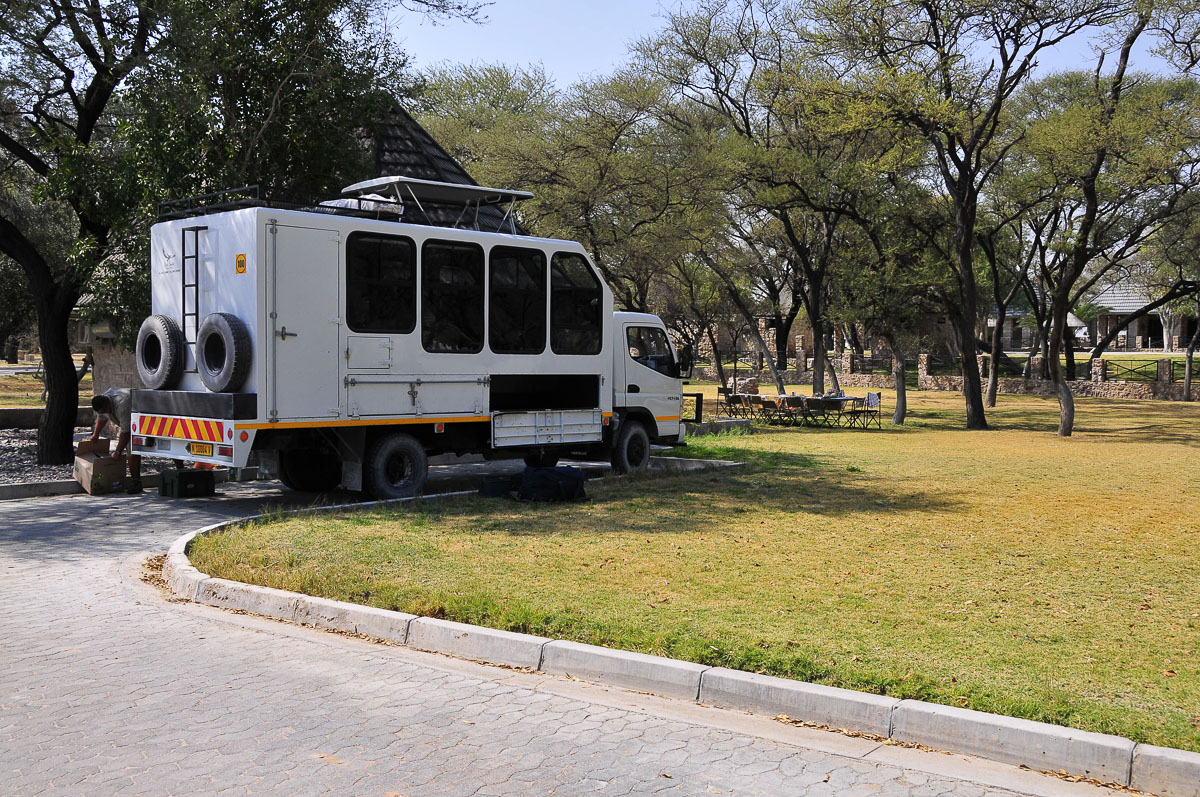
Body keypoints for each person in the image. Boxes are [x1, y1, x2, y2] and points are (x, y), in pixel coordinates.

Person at [90, 388, 142, 494]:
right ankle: (135, 480)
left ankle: (136, 481)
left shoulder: (122, 404)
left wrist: (118, 452)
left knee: (131, 448)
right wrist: (95, 435)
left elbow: (126, 432)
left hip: (141, 418)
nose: (105, 413)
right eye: (101, 412)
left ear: (108, 405)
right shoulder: (102, 402)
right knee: (130, 447)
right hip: (129, 422)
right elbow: (101, 418)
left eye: (105, 411)